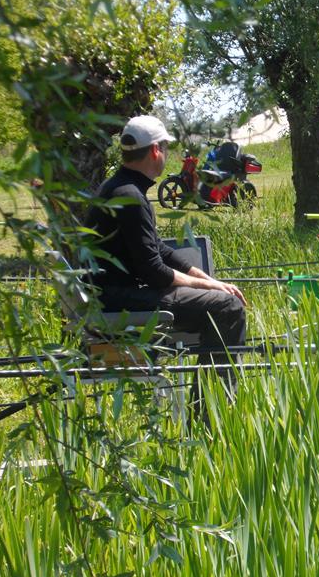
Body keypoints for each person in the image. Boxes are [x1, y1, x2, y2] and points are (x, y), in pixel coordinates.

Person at [84, 115, 246, 411]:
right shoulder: (129, 196)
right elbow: (154, 272)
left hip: (110, 294)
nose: (167, 155)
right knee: (228, 308)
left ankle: (209, 405)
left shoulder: (120, 187)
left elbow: (158, 249)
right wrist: (212, 289)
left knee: (220, 300)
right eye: (166, 148)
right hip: (116, 301)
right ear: (155, 150)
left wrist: (209, 281)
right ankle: (212, 415)